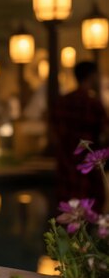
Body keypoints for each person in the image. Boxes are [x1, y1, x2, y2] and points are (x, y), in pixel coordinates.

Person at [53, 61, 109, 213]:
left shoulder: (62, 102)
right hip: (88, 167)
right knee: (91, 215)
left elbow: (56, 131)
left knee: (68, 215)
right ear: (91, 76)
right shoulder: (93, 104)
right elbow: (104, 133)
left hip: (66, 164)